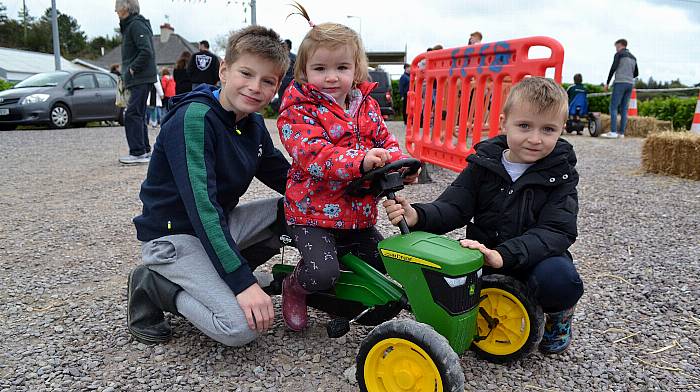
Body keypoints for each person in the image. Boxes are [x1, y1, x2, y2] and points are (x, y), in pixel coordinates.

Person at [384, 77, 584, 355]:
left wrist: (504, 255)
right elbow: (454, 206)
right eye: (524, 126)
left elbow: (557, 230)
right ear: (504, 122)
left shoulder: (560, 174)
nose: (535, 139)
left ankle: (559, 317)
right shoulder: (484, 164)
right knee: (447, 283)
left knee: (561, 280)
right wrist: (416, 214)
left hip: (533, 260)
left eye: (548, 129)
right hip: (484, 256)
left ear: (562, 130)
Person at [127, 25, 292, 347]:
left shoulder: (253, 124)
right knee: (242, 328)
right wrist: (242, 283)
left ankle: (216, 277)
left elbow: (290, 182)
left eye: (268, 81)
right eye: (246, 73)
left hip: (216, 227)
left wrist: (349, 187)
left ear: (276, 88)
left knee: (297, 209)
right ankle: (156, 285)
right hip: (175, 236)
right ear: (224, 70)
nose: (255, 87)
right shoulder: (195, 119)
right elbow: (203, 209)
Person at [276, 13, 418, 332]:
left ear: (356, 69)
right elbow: (315, 155)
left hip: (356, 212)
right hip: (312, 213)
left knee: (385, 261)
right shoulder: (298, 111)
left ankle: (344, 299)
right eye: (320, 68)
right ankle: (294, 287)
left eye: (341, 68)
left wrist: (401, 165)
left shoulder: (365, 106)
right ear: (304, 71)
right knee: (322, 272)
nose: (331, 77)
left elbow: (385, 140)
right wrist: (361, 160)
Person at [115, 0, 157, 165]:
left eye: (117, 7)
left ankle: (138, 152)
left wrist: (132, 69)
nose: (115, 11)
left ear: (125, 7)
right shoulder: (131, 26)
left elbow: (146, 50)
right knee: (137, 114)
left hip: (140, 77)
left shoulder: (136, 25)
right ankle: (144, 150)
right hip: (138, 78)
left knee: (132, 114)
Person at [602, 38, 638, 139]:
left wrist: (607, 83)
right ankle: (621, 133)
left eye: (616, 47)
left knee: (613, 107)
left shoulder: (619, 54)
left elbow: (613, 68)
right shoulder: (633, 57)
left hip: (620, 82)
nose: (616, 49)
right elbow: (636, 73)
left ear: (621, 45)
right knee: (624, 109)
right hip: (630, 83)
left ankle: (613, 132)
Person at [272, 39, 297, 113]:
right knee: (282, 98)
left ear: (288, 47)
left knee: (289, 99)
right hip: (282, 82)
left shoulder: (293, 57)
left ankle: (287, 114)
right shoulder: (281, 57)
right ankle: (283, 114)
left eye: (285, 46)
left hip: (289, 82)